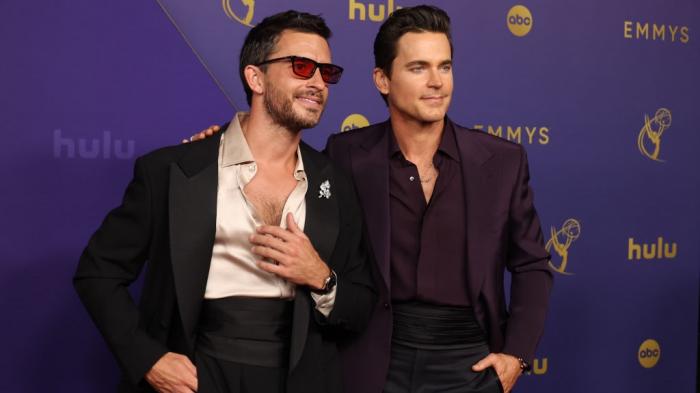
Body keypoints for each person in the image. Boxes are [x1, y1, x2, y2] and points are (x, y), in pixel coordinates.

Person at [193, 5, 552, 393]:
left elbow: (532, 264)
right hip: (372, 358)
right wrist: (216, 147)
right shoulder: (346, 155)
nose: (437, 82)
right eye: (418, 68)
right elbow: (279, 163)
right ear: (383, 80)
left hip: (471, 359)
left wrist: (516, 355)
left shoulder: (501, 161)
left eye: (444, 67)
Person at [74, 10, 376, 393]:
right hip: (198, 371)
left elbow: (362, 303)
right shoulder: (172, 170)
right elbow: (98, 273)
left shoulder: (335, 182)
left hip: (299, 376)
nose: (318, 82)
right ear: (256, 77)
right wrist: (148, 358)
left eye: (327, 73)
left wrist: (320, 277)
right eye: (302, 67)